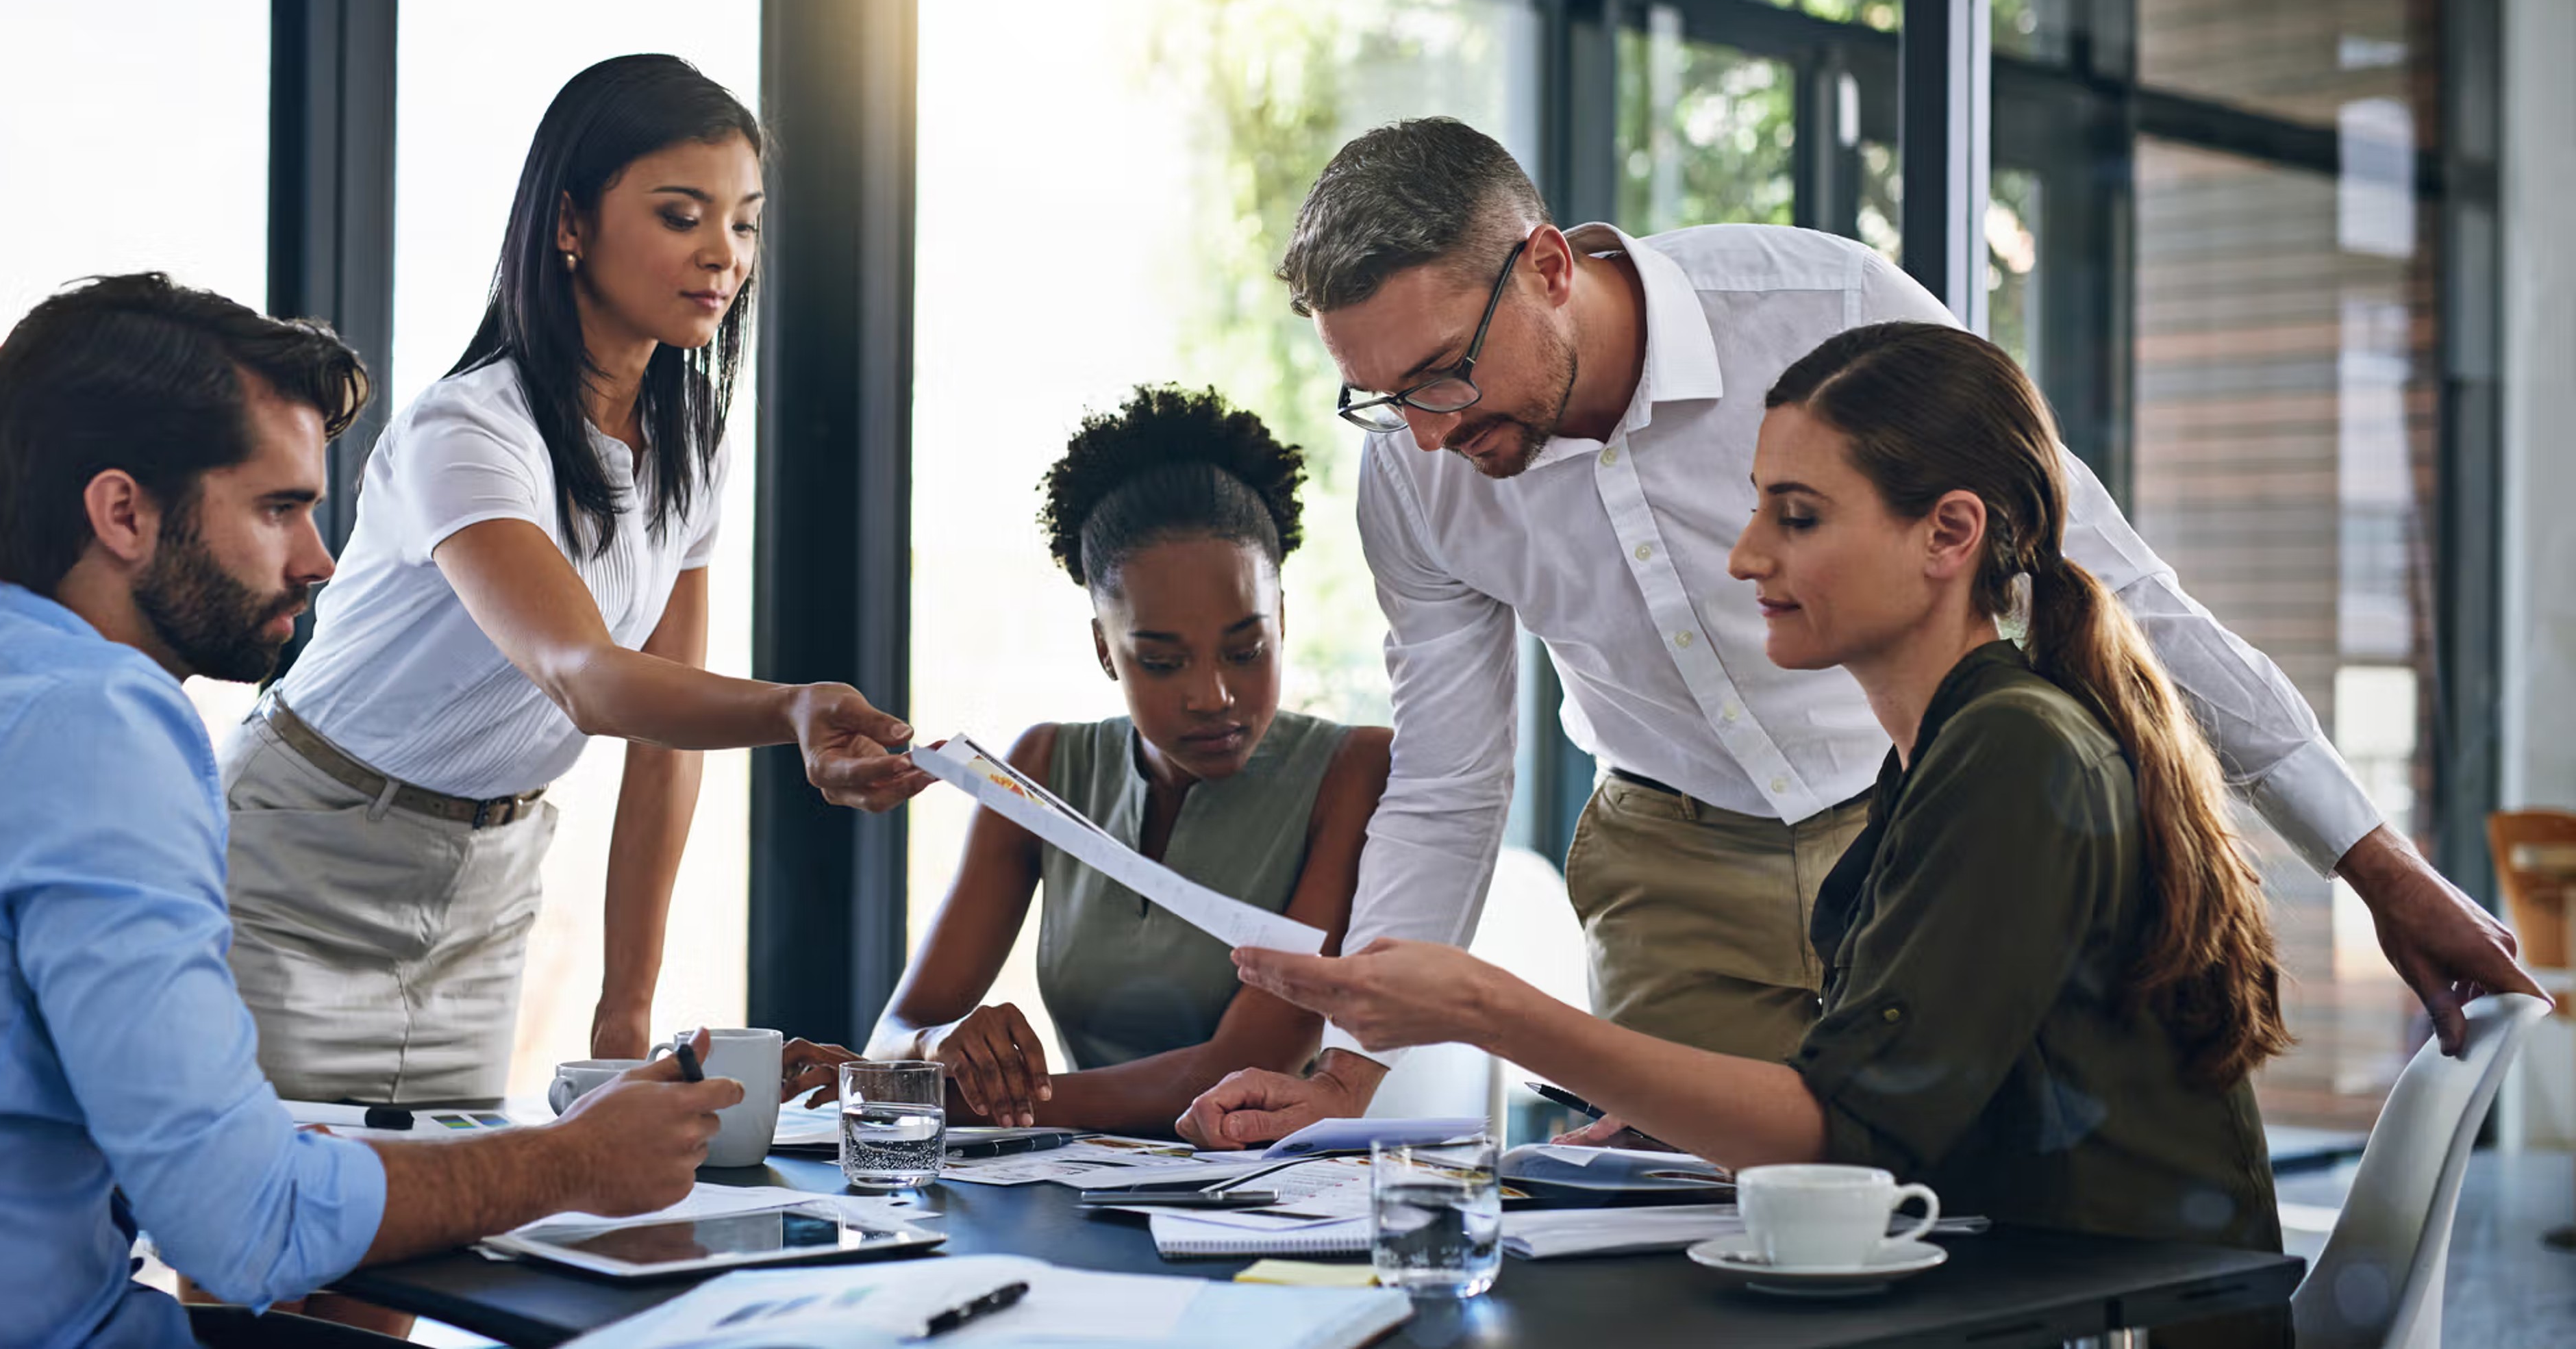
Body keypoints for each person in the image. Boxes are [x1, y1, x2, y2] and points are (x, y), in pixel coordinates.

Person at [1180, 116, 2536, 1148]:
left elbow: (2115, 587)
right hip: (1670, 866)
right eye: (1380, 397)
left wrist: (2376, 865)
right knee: (1707, 1271)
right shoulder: (1416, 474)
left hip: (1915, 833)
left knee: (1938, 1230)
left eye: (1441, 374)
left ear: (1546, 267)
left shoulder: (1823, 314)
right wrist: (1348, 1075)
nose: (1424, 429)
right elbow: (1452, 771)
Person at [1227, 322, 2291, 1302]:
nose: (1746, 556)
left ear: (1948, 533)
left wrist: (1490, 1009)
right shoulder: (1952, 747)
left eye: (1799, 516)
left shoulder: (2012, 752)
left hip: (2108, 1314)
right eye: (1756, 506)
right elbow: (1902, 1097)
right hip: (2031, 1289)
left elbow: (1849, 1140)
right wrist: (1673, 1112)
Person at [0, 275, 745, 1349]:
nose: (320, 560)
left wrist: (261, 1132)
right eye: (280, 508)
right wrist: (576, 1161)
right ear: (123, 511)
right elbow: (241, 1227)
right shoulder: (108, 729)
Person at [221, 55, 925, 1107]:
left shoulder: (689, 443)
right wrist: (792, 707)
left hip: (489, 879)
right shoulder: (466, 431)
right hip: (301, 858)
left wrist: (625, 1004)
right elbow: (588, 677)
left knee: (439, 1233)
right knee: (260, 1238)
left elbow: (661, 731)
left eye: (744, 222)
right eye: (682, 215)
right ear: (570, 224)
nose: (723, 256)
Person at [801, 388, 1387, 1135]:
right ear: (1105, 649)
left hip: (1289, 1205)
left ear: (1284, 621)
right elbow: (898, 1032)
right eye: (1163, 660)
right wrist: (937, 1046)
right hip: (1086, 1192)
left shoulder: (1355, 771)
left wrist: (932, 1096)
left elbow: (1240, 1071)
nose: (1213, 695)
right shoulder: (1043, 767)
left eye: (1246, 650)